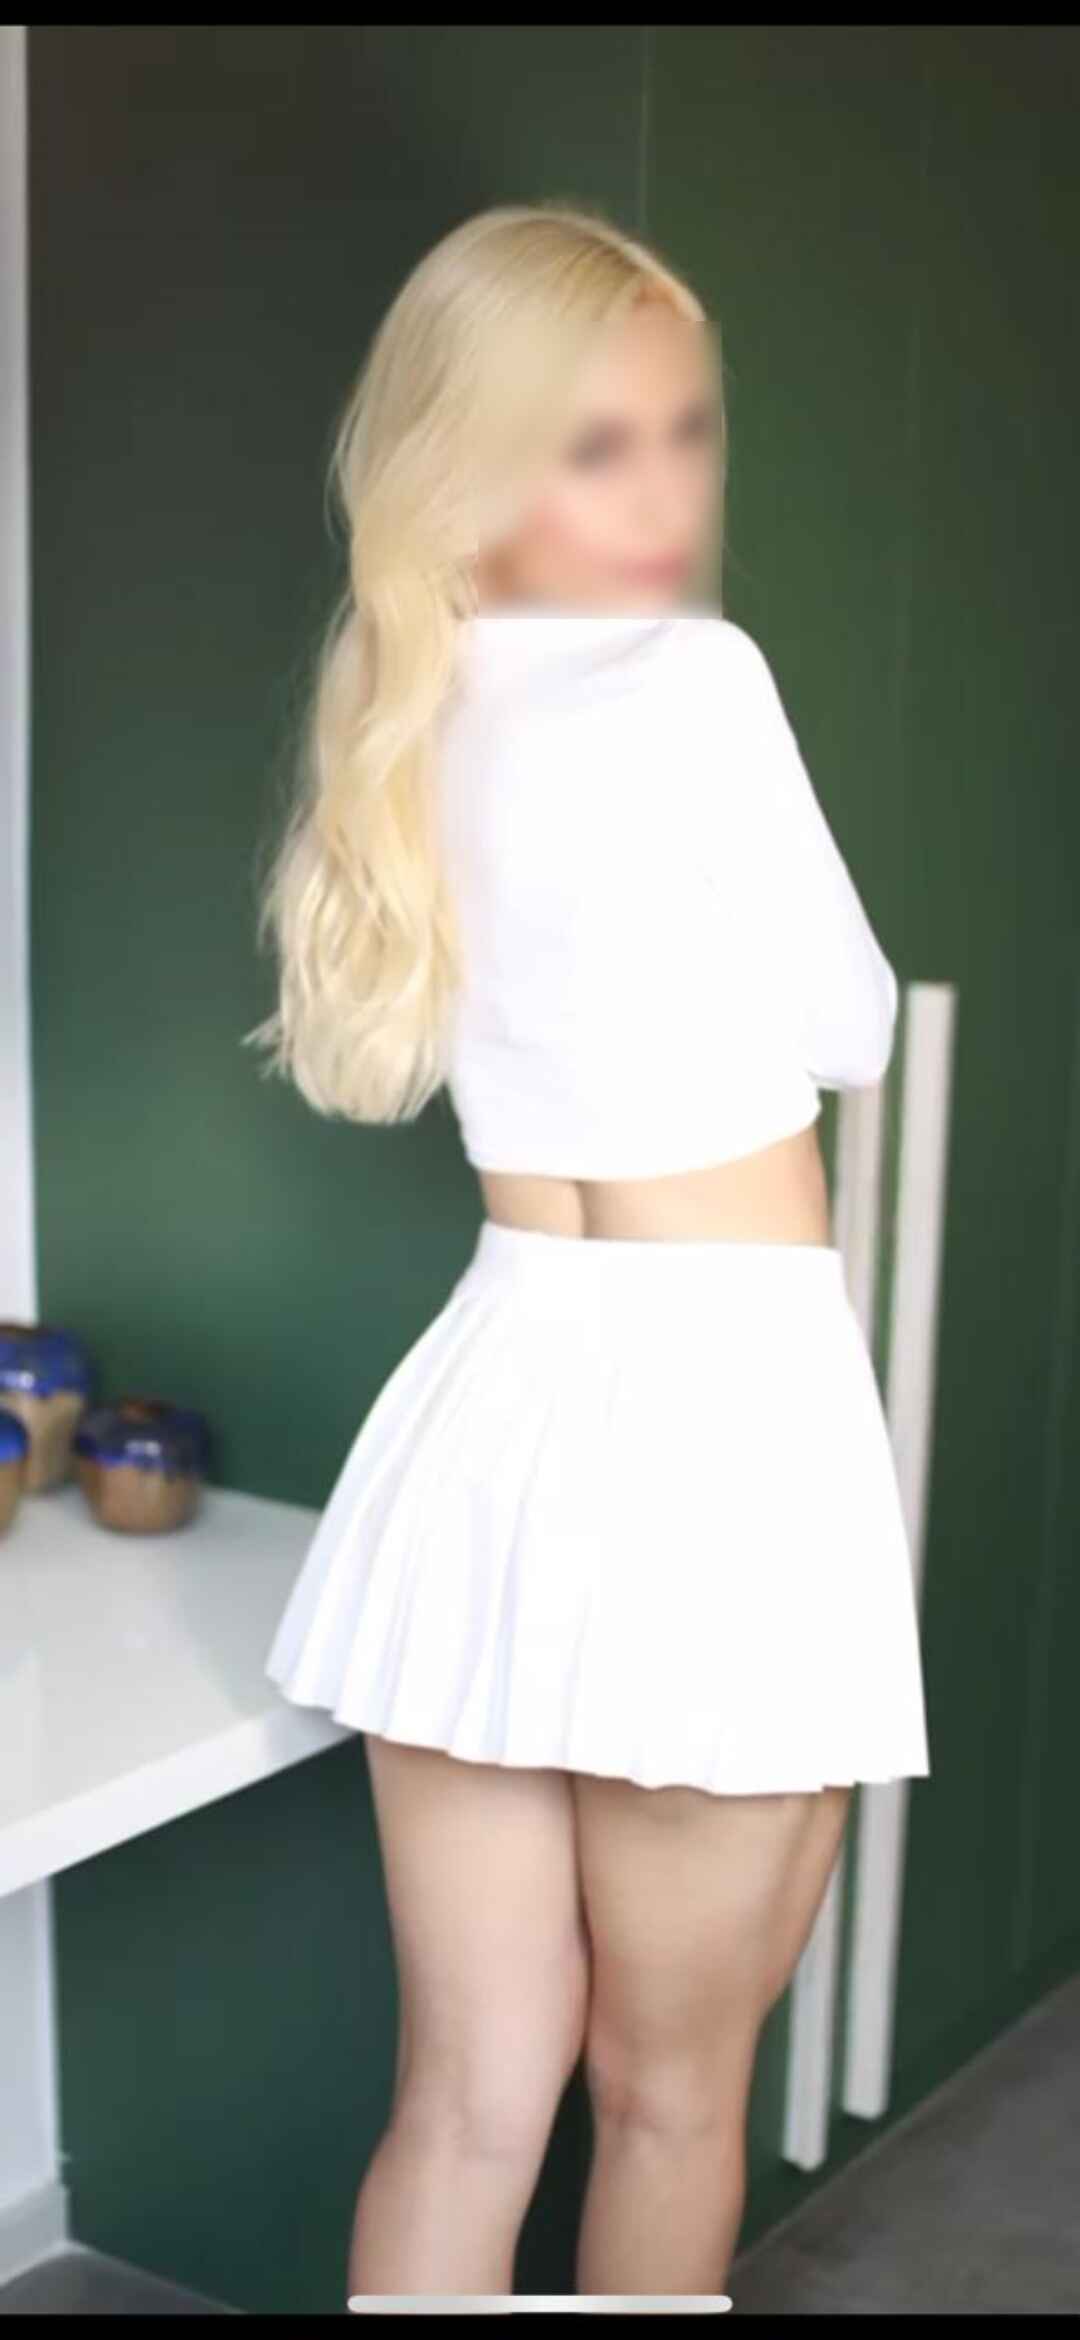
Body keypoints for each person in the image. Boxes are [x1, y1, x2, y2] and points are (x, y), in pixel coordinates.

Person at [248, 200, 931, 2307]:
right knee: (667, 2102)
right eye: (593, 444)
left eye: (681, 431)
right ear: (465, 465)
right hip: (722, 1438)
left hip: (487, 1417)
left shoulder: (402, 711)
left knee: (466, 2106)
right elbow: (850, 1025)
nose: (660, 494)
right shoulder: (698, 678)